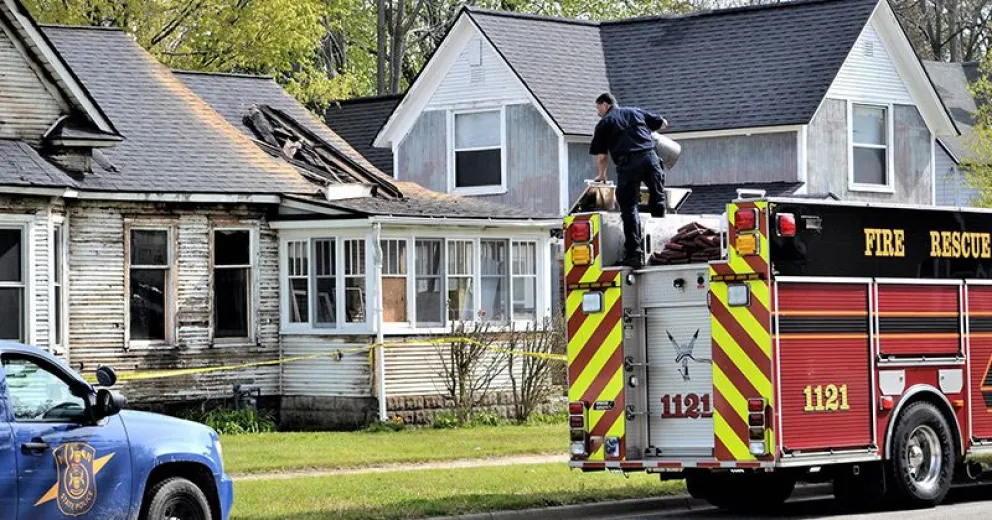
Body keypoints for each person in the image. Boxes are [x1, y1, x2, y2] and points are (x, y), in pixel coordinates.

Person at [589, 93, 669, 268]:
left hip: (628, 164)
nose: (597, 112)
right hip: (650, 159)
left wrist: (602, 176)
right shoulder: (635, 112)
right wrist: (647, 133)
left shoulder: (604, 124)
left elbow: (602, 156)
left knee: (629, 206)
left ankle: (634, 253)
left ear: (605, 105)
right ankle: (662, 246)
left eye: (597, 108)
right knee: (658, 199)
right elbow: (663, 123)